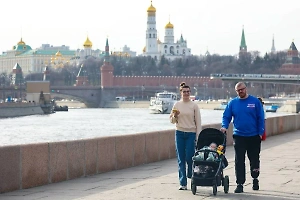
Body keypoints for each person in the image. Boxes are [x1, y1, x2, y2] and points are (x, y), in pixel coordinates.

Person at [220, 82, 264, 193]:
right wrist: (224, 126)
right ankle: (240, 183)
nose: (240, 92)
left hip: (254, 135)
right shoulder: (233, 103)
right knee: (239, 160)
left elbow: (260, 117)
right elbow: (226, 116)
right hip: (239, 136)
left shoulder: (254, 102)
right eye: (238, 90)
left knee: (254, 159)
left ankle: (255, 178)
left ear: (246, 89)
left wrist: (260, 132)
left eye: (242, 89)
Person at [170, 82, 202, 190]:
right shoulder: (176, 105)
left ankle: (190, 173)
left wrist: (199, 135)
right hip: (179, 132)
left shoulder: (194, 105)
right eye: (184, 92)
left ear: (190, 93)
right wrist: (174, 116)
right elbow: (172, 121)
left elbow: (198, 121)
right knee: (181, 158)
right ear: (181, 93)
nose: (186, 93)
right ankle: (183, 183)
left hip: (191, 133)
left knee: (189, 156)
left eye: (188, 92)